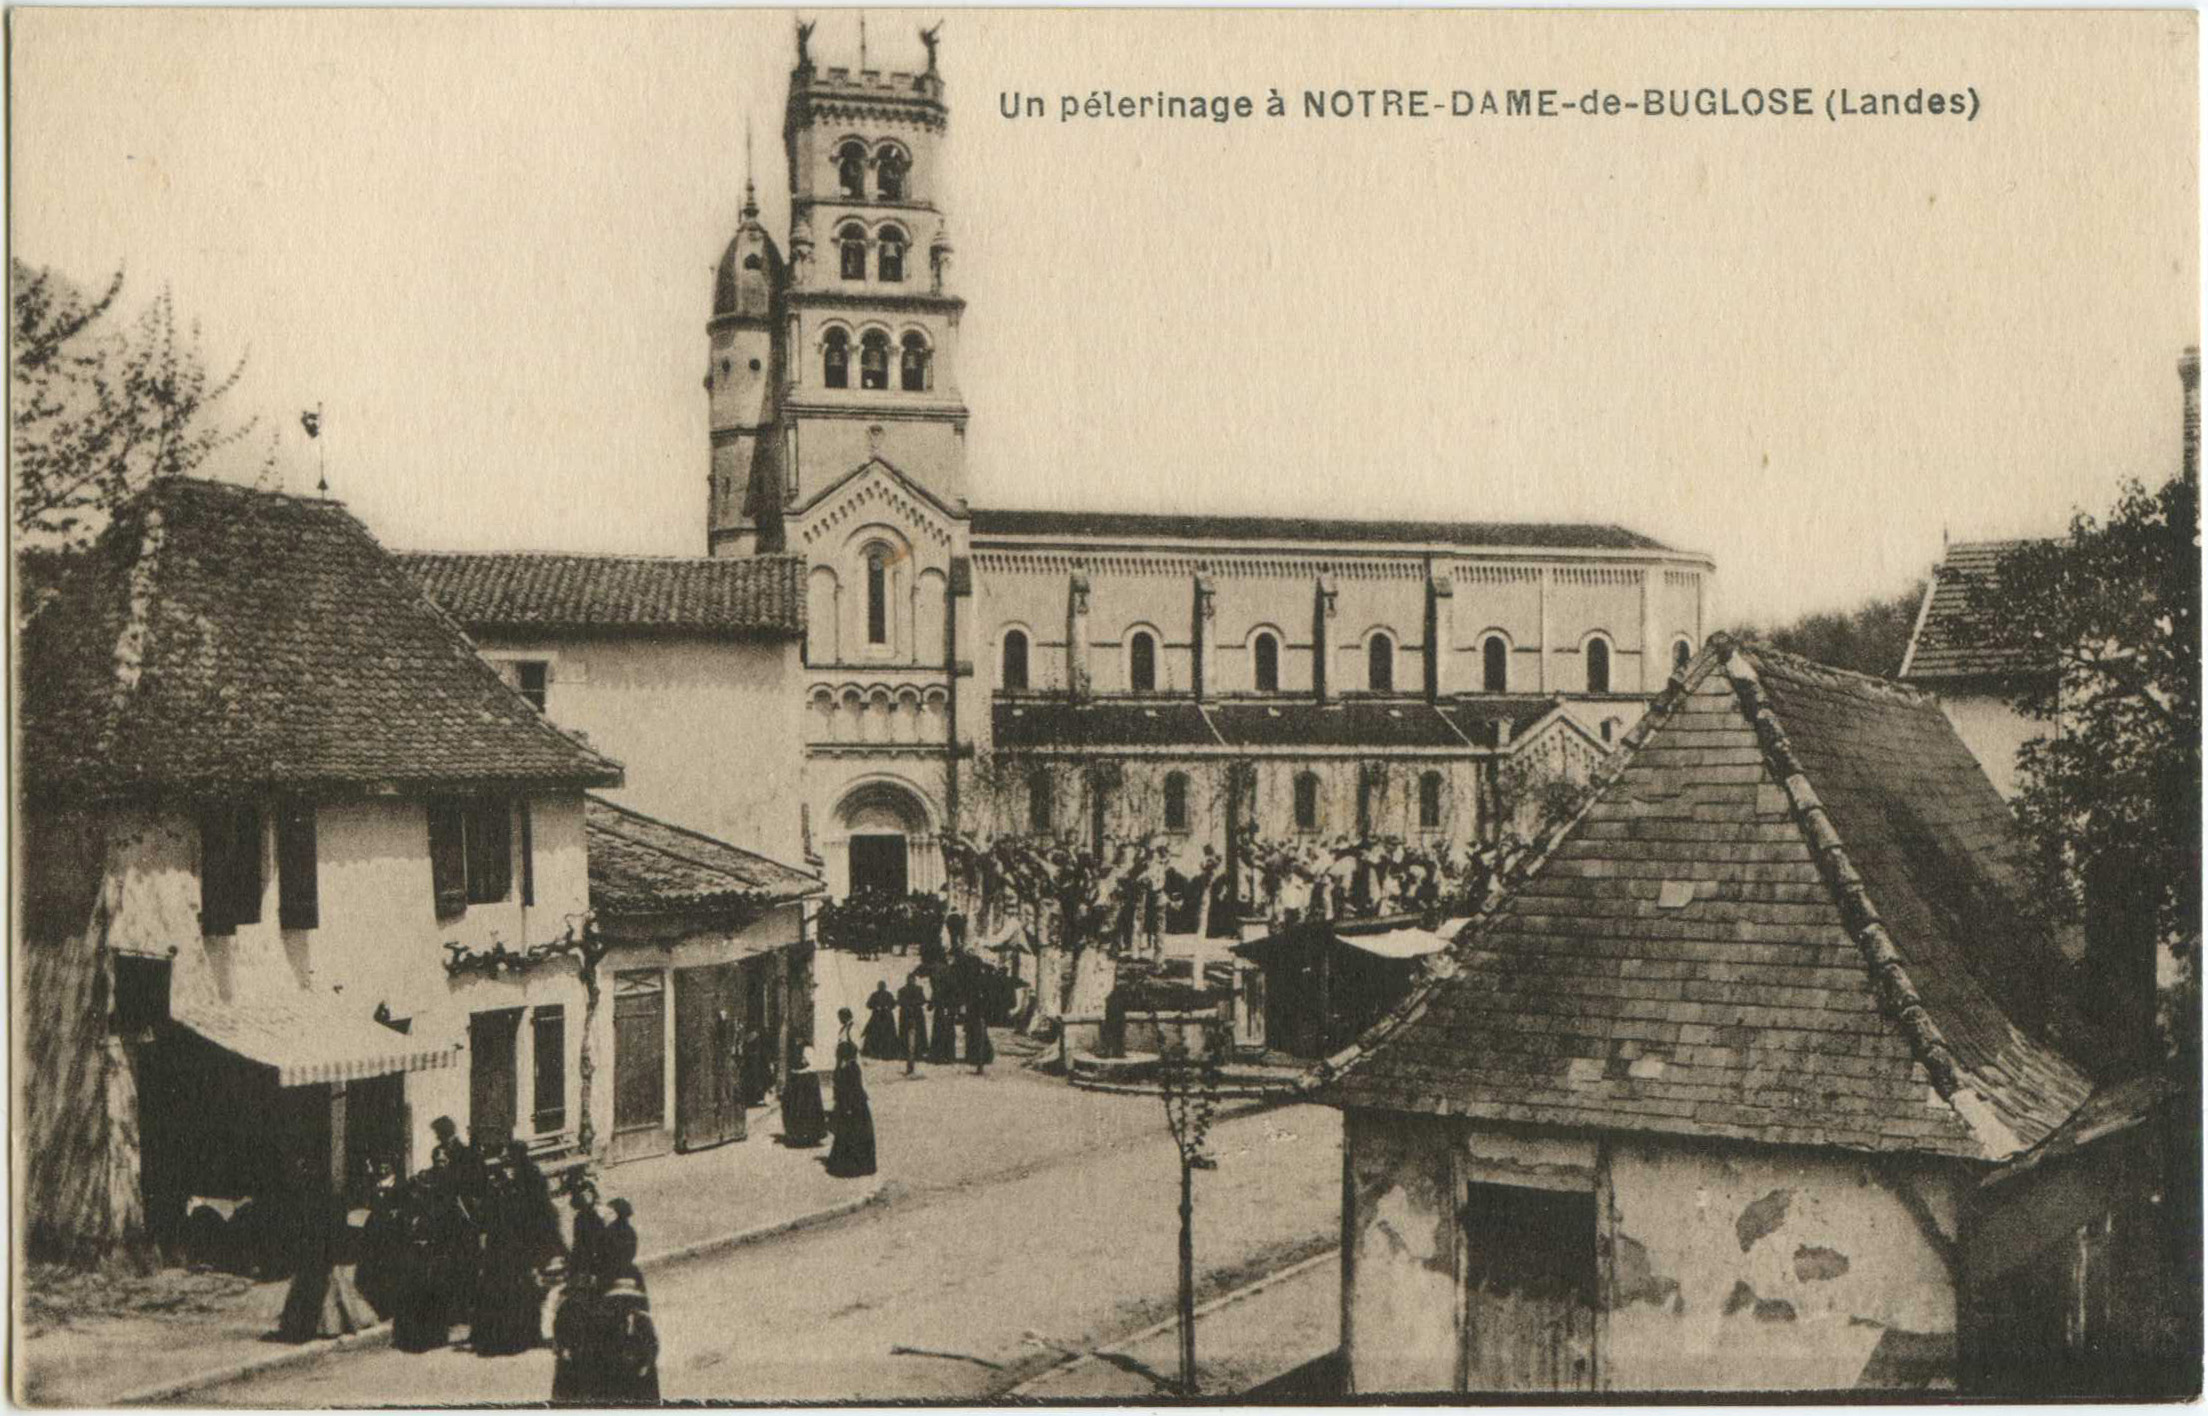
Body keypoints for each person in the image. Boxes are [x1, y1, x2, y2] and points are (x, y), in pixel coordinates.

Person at [824, 1010, 877, 1178]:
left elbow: (856, 1047)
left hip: (851, 1072)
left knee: (852, 1113)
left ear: (846, 1017)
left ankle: (857, 1161)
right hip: (845, 1068)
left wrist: (846, 1059)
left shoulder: (853, 1029)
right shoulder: (843, 1029)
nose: (839, 1019)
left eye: (841, 1017)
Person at [780, 1039, 827, 1147]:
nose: (797, 1041)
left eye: (799, 1039)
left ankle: (811, 1135)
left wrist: (799, 1071)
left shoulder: (808, 1049)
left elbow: (813, 1066)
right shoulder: (794, 1049)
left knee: (808, 1107)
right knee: (796, 1107)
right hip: (798, 1080)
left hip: (808, 1081)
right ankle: (798, 1135)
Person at [896, 971, 929, 1076]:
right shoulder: (902, 990)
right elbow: (900, 1001)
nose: (911, 981)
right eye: (909, 979)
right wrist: (908, 1005)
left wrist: (913, 1004)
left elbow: (923, 1000)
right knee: (905, 1034)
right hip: (906, 1015)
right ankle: (905, 1053)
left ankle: (918, 1052)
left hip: (917, 1014)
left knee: (918, 1034)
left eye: (912, 979)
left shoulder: (919, 989)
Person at [861, 980, 900, 1059]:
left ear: (885, 987)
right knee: (875, 1034)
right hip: (877, 1017)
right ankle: (874, 1052)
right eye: (880, 986)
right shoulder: (874, 995)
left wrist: (887, 1007)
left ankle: (888, 1052)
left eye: (883, 986)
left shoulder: (888, 995)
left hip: (887, 1017)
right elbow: (868, 1004)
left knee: (888, 1035)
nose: (881, 987)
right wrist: (876, 1007)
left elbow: (893, 1004)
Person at [928, 971, 958, 1064]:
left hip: (945, 1014)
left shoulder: (941, 990)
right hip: (943, 1014)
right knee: (944, 1035)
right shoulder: (939, 990)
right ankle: (944, 1056)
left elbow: (931, 1005)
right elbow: (931, 1005)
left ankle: (943, 1056)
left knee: (943, 1035)